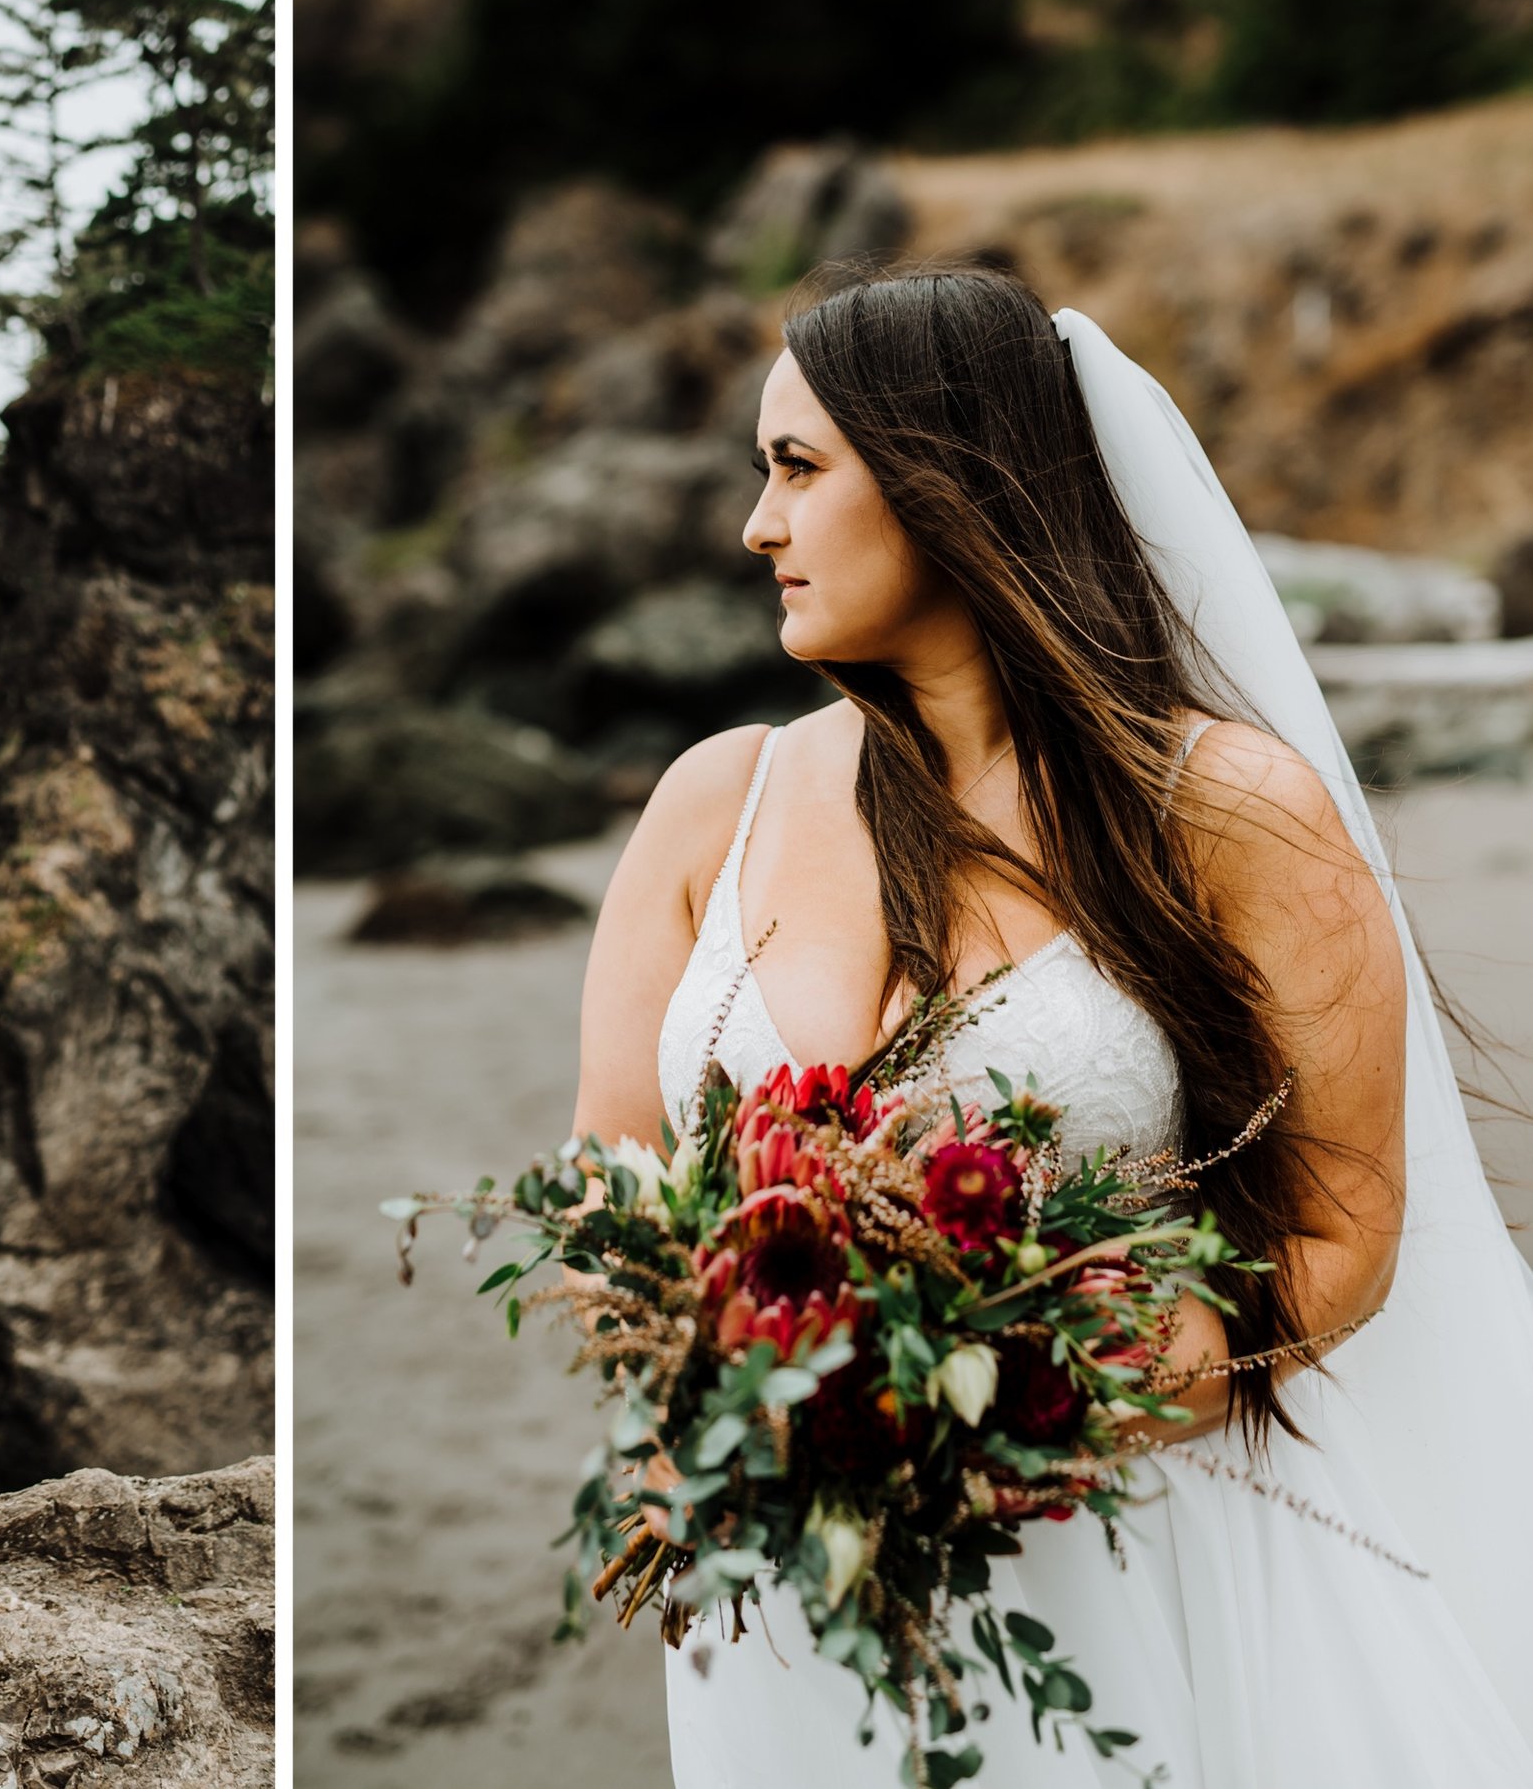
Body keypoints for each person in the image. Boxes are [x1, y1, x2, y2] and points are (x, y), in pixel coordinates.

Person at [575, 270, 1533, 1783]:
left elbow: (1344, 1227)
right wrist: (713, 1424)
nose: (757, 527)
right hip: (789, 1597)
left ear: (952, 480)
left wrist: (1017, 1402)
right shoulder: (718, 799)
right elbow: (614, 1197)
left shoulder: (1223, 812)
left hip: (1133, 1554)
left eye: (797, 469)